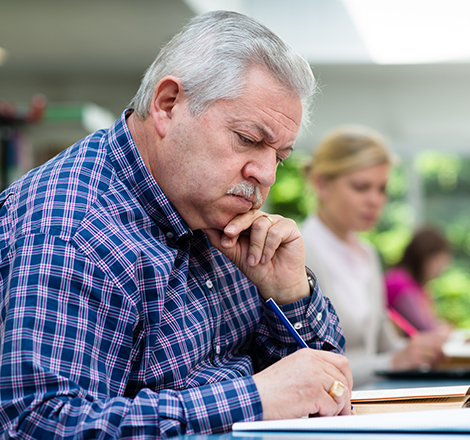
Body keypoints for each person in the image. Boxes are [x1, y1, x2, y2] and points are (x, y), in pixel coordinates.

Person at [0, 11, 353, 439]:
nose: (266, 174)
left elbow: (323, 387)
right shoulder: (74, 229)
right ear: (168, 105)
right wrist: (256, 398)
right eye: (248, 139)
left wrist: (290, 294)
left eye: (279, 156)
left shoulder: (211, 209)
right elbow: (41, 424)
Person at [300, 125, 447, 386]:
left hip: (370, 404)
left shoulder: (367, 255)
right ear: (321, 183)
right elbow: (307, 367)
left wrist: (421, 348)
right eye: (361, 187)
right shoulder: (298, 253)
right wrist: (390, 362)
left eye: (382, 189)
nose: (375, 200)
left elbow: (386, 344)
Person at [385, 225, 453, 333]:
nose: (441, 268)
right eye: (438, 261)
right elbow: (426, 328)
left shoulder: (415, 284)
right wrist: (442, 329)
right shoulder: (399, 282)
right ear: (424, 256)